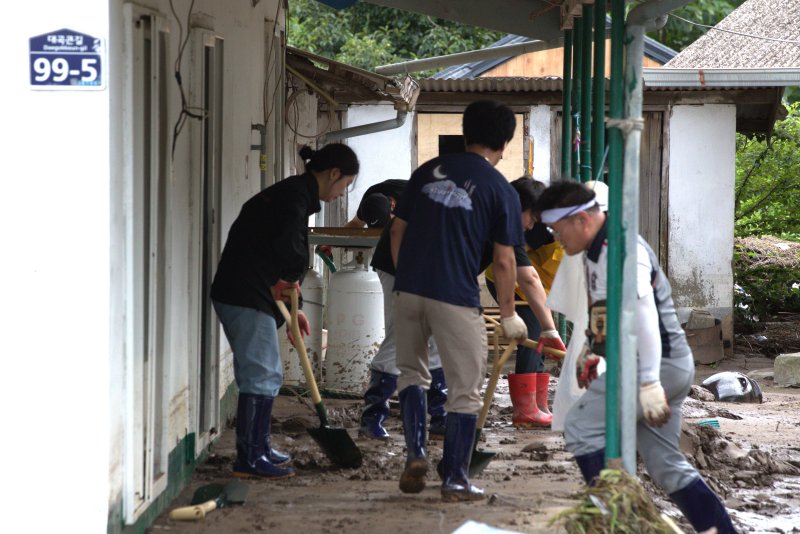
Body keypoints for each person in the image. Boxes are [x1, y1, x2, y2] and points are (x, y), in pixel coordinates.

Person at [537, 180, 737, 533]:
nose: (555, 238)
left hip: (653, 366)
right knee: (664, 464)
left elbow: (644, 319)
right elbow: (604, 312)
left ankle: (615, 521)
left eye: (557, 229)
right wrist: (592, 353)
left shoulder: (622, 251)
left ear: (581, 219)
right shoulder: (597, 250)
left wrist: (647, 382)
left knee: (581, 426)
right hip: (664, 365)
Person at [390, 100, 528, 502]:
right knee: (465, 387)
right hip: (455, 296)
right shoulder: (502, 189)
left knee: (411, 374)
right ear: (504, 142)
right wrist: (507, 314)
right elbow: (504, 260)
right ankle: (454, 478)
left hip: (409, 290)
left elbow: (397, 232)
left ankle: (415, 452)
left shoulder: (425, 172)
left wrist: (406, 279)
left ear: (465, 134)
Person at [210, 143, 359, 479]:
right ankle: (249, 458)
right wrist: (291, 291)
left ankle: (259, 448)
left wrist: (296, 310)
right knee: (262, 373)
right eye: (345, 185)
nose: (341, 193)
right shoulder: (292, 200)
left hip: (250, 290)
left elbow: (281, 255)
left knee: (267, 372)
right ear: (333, 174)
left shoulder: (293, 195)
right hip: (243, 293)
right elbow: (291, 253)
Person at [356, 180, 449, 441]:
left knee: (436, 336)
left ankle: (440, 416)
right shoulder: (438, 199)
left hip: (428, 265)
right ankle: (372, 416)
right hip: (398, 263)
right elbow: (395, 232)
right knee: (402, 336)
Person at [482, 177, 567, 428]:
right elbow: (520, 268)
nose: (532, 225)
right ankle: (525, 409)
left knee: (539, 335)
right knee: (532, 333)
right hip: (516, 281)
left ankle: (538, 405)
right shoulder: (533, 226)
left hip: (537, 285)